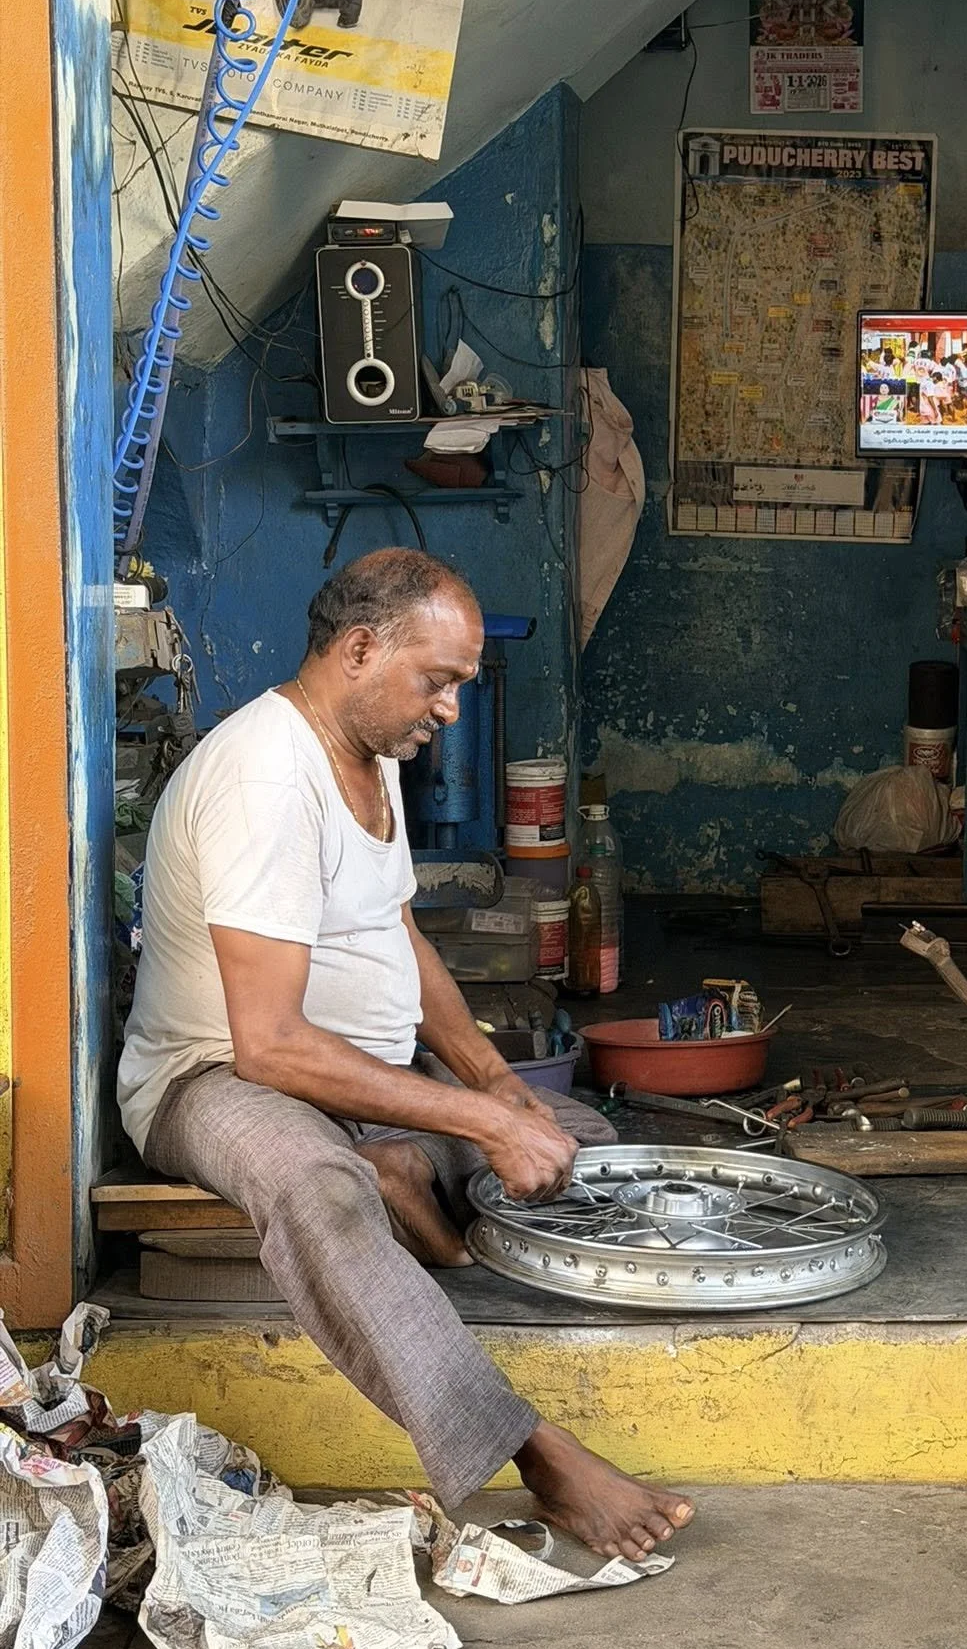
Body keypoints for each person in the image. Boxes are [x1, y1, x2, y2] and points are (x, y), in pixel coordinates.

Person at [118, 549, 693, 1562]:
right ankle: (533, 1450)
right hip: (215, 1078)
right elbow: (271, 1043)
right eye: (440, 680)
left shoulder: (370, 752)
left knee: (581, 1139)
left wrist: (495, 1081)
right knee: (319, 1186)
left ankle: (406, 1175)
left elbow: (400, 937)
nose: (453, 710)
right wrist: (477, 1120)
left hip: (347, 1075)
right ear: (358, 649)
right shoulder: (265, 774)